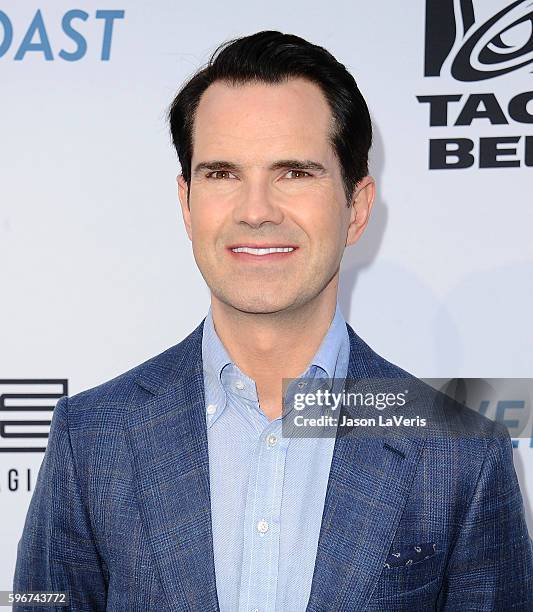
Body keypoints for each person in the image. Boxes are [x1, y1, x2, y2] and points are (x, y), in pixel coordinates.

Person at [13, 30, 533, 611]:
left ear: (356, 208)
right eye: (223, 174)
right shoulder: (91, 436)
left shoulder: (458, 451)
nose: (256, 210)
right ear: (186, 204)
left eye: (294, 172)